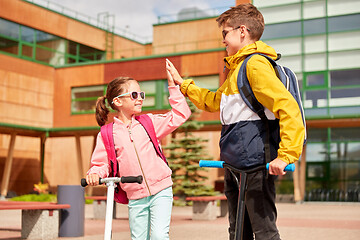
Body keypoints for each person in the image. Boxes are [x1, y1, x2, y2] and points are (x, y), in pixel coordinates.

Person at [166, 3, 305, 240]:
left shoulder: (255, 65)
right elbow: (214, 101)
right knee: (238, 231)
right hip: (236, 164)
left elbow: (288, 107)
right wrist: (183, 85)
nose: (223, 40)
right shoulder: (237, 70)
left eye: (225, 33)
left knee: (264, 233)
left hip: (255, 165)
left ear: (242, 31)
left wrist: (285, 155)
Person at [86, 60, 191, 240]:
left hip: (161, 189)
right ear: (117, 101)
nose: (140, 98)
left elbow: (181, 114)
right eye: (134, 94)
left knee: (159, 236)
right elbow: (100, 163)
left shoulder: (148, 123)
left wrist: (173, 86)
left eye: (141, 93)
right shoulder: (107, 134)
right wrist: (95, 173)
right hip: (135, 195)